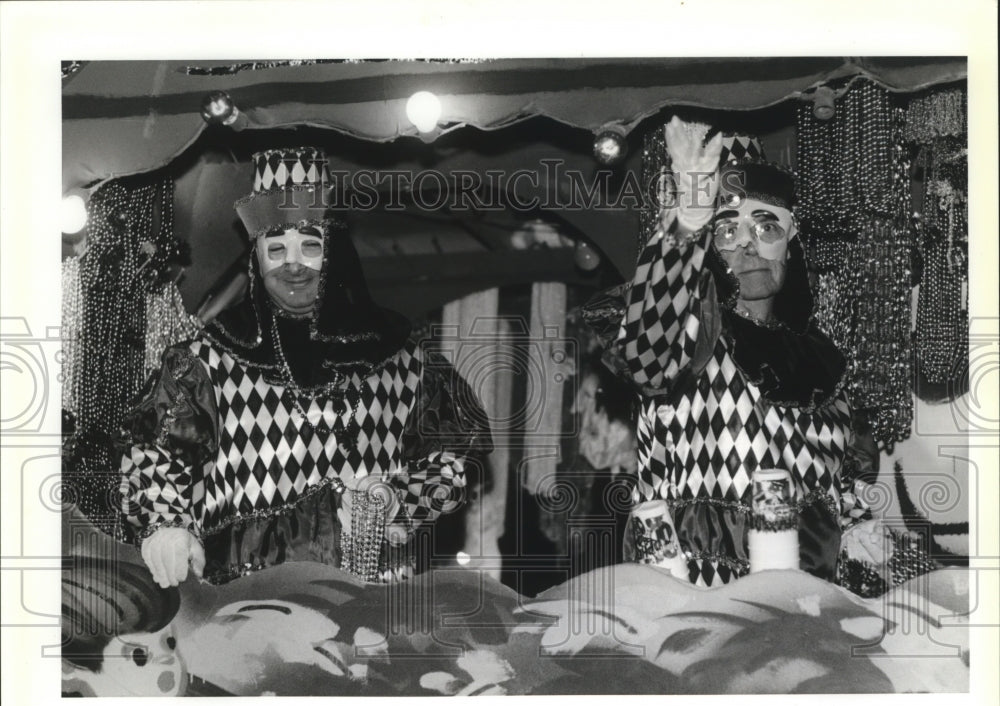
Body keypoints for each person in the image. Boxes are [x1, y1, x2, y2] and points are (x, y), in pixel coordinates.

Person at [120, 147, 492, 587]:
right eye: (276, 248)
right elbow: (152, 455)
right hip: (246, 610)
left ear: (333, 250)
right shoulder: (204, 362)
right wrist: (165, 523)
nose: (292, 264)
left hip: (372, 610)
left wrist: (400, 499)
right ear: (256, 258)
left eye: (309, 246)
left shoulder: (405, 359)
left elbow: (452, 461)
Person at [584, 118, 875, 587]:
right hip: (698, 598)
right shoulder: (694, 331)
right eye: (726, 230)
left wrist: (863, 533)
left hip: (807, 608)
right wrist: (688, 221)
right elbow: (642, 352)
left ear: (790, 239)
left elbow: (841, 490)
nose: (747, 244)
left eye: (767, 226)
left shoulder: (826, 359)